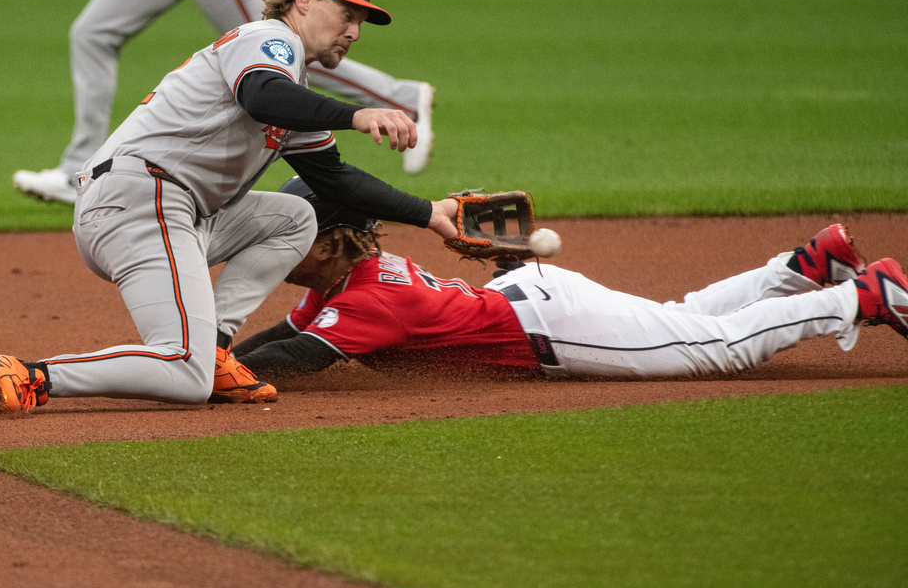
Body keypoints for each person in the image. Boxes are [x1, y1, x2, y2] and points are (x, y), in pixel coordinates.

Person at [0, 0, 460, 414]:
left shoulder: (296, 92)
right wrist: (358, 113)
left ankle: (216, 349)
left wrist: (429, 213)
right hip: (142, 198)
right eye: (347, 12)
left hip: (162, 207)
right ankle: (35, 375)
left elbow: (335, 179)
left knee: (295, 217)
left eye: (362, 21)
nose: (353, 31)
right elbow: (262, 96)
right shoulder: (267, 40)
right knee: (186, 374)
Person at [232, 178, 908, 383]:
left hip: (552, 325)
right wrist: (220, 362)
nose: (274, 247)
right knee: (684, 318)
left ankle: (864, 294)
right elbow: (283, 333)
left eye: (287, 237)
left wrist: (216, 378)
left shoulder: (377, 298)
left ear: (327, 245)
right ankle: (806, 267)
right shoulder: (345, 282)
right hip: (534, 298)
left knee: (717, 347)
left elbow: (296, 358)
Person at [13, 0, 434, 206]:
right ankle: (76, 168)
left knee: (286, 41)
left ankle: (401, 100)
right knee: (92, 33)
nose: (358, 32)